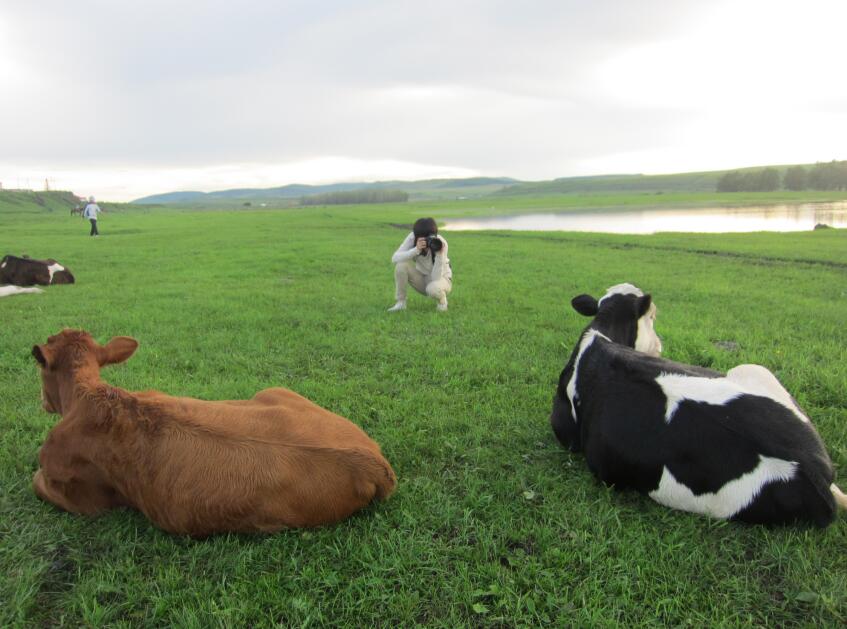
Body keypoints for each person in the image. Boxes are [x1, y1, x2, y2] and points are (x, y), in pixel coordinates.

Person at [388, 217, 452, 312]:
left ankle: (442, 301)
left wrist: (439, 255)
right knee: (401, 266)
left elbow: (435, 278)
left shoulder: (440, 243)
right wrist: (416, 250)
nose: (427, 240)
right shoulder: (412, 238)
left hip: (442, 279)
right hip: (423, 278)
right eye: (424, 238)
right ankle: (401, 303)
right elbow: (394, 258)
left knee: (432, 289)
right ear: (417, 236)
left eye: (430, 236)